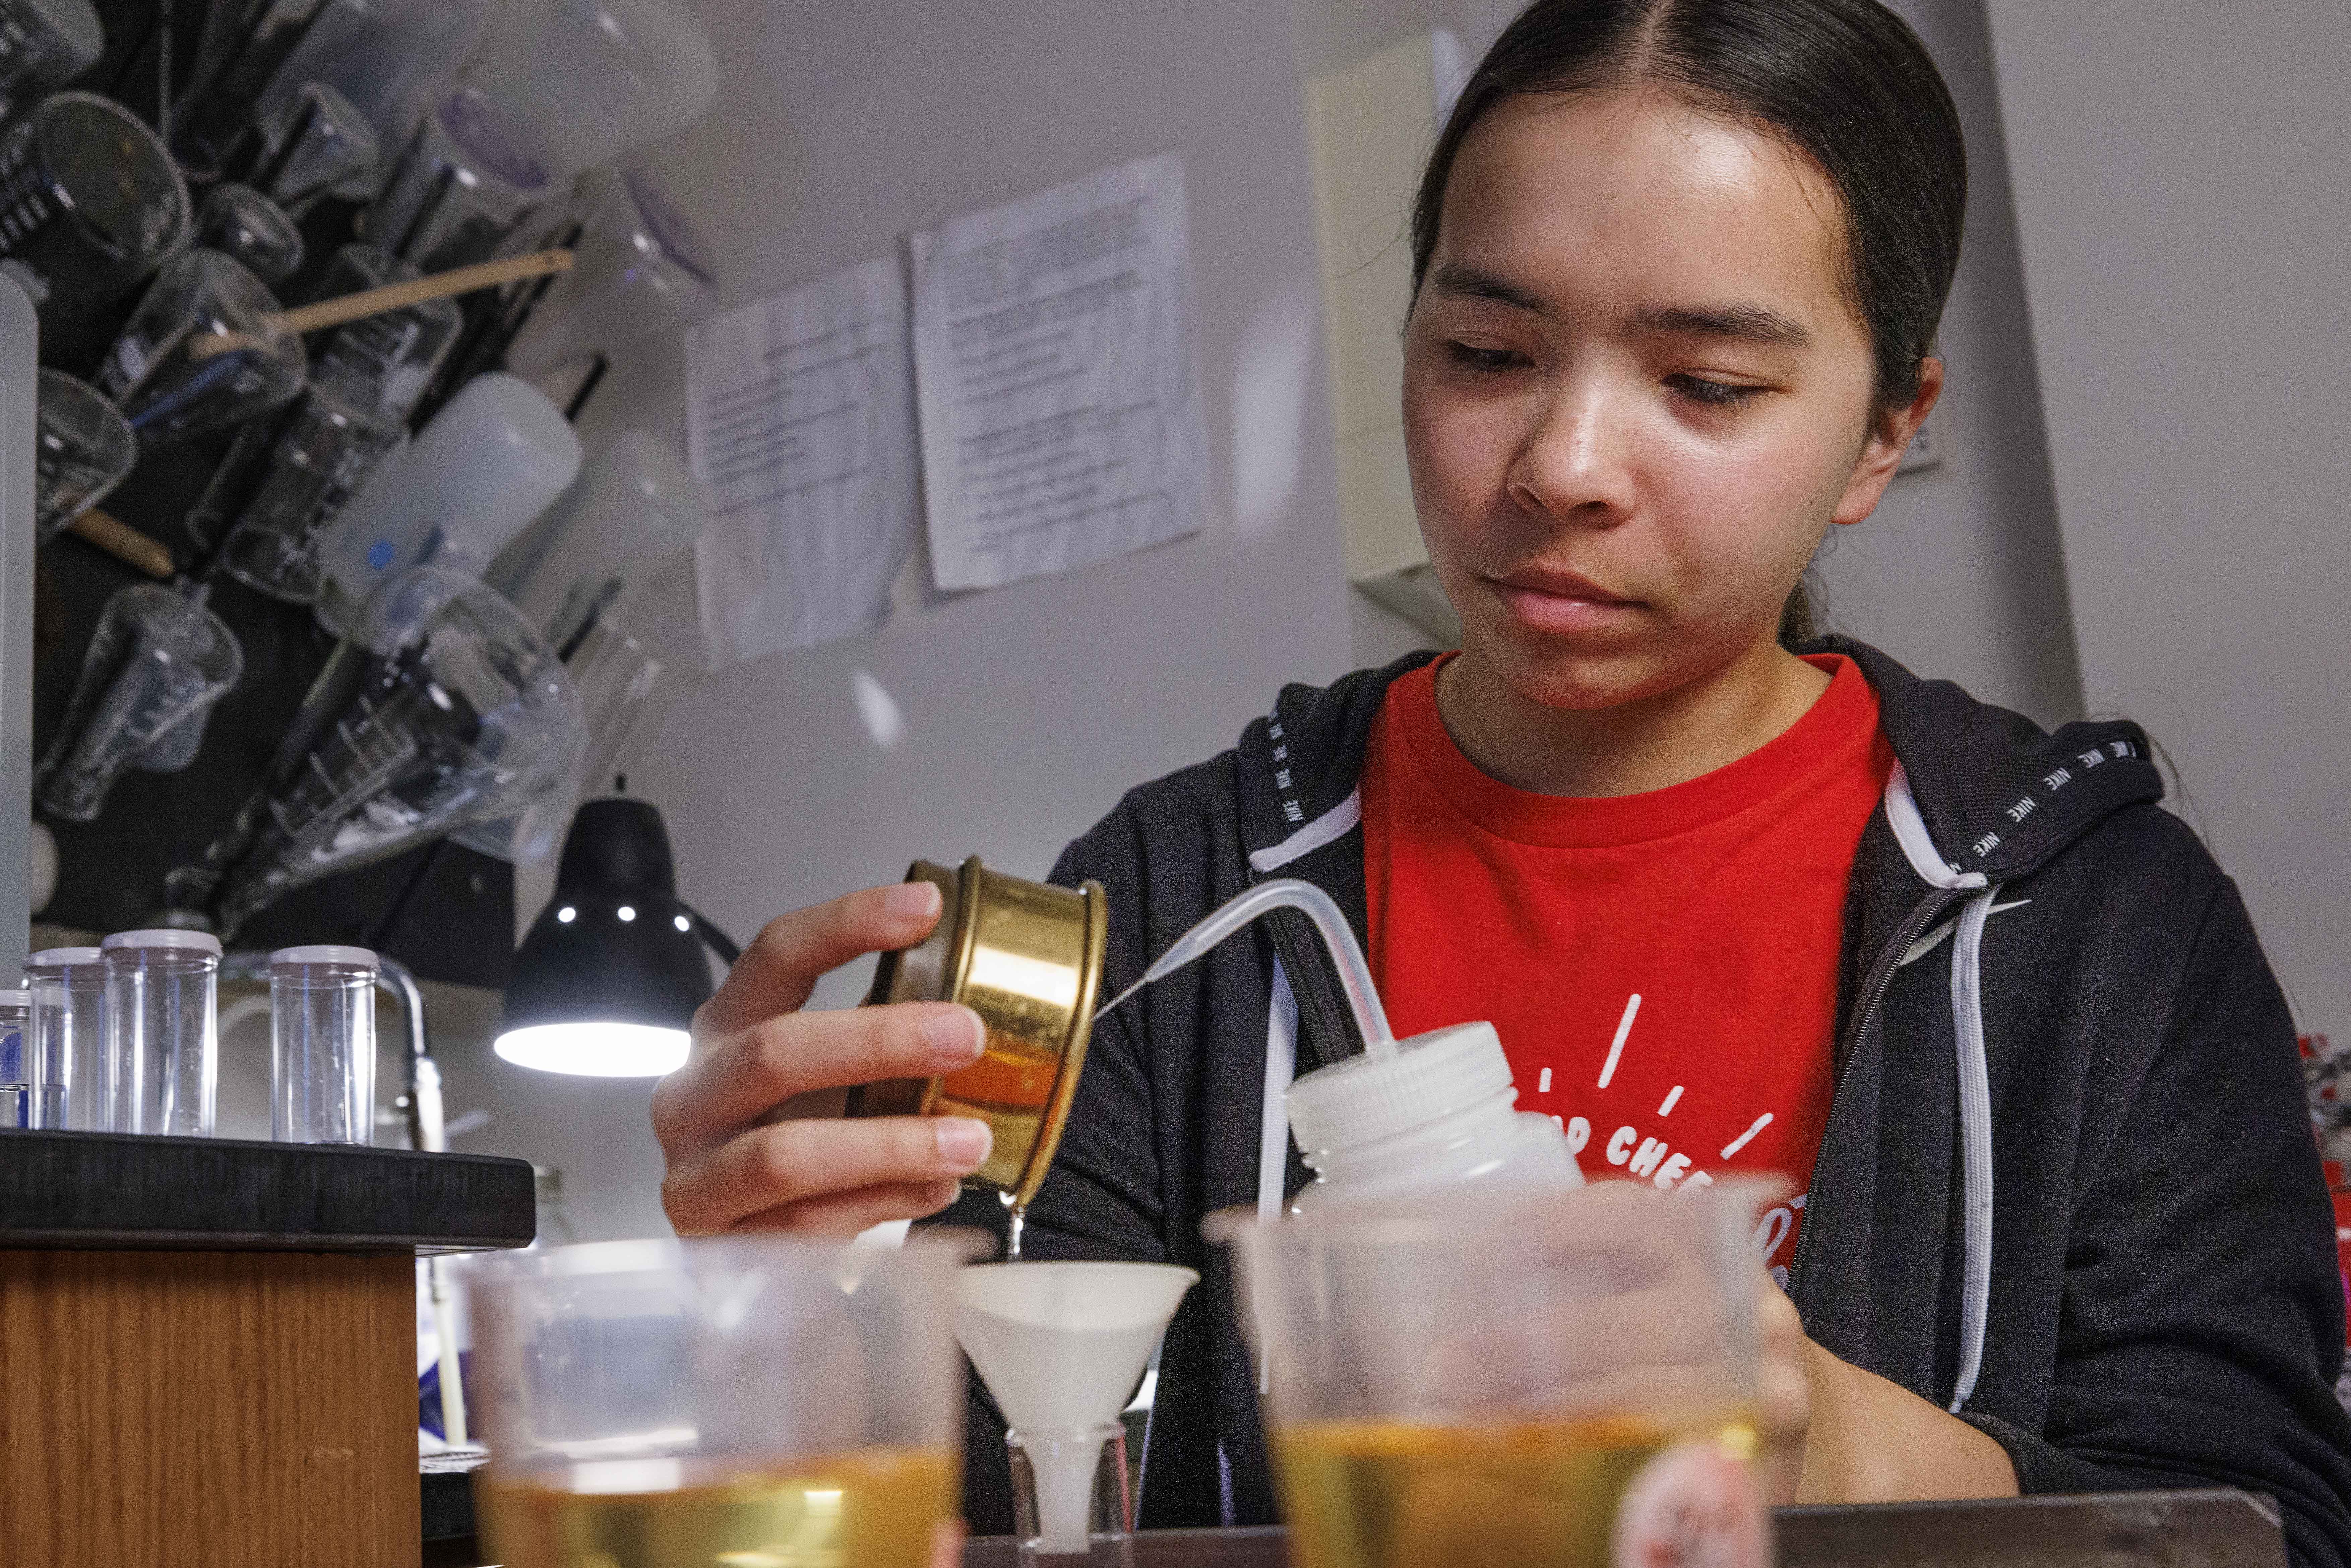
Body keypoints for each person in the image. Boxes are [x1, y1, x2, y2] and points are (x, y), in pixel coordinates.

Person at [651, 0, 2351, 1559]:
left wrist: (1826, 1432)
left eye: (1705, 385)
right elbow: (994, 1485)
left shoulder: (2092, 921)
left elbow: (2256, 1522)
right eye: (1483, 354)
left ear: (1881, 433)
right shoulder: (1178, 902)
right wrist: (802, 1324)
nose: (1561, 467)